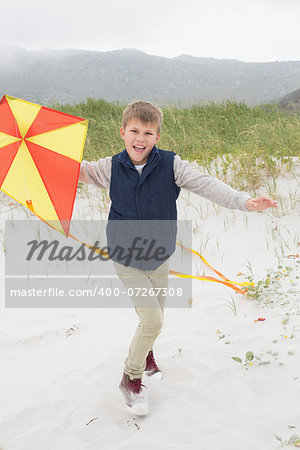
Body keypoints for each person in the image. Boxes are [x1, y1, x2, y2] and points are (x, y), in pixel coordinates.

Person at [79, 101, 277, 415]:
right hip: (125, 256)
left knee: (152, 318)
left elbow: (207, 185)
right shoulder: (109, 167)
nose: (140, 137)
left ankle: (146, 357)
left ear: (157, 136)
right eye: (134, 130)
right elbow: (76, 171)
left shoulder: (172, 165)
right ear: (123, 132)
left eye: (147, 132)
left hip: (159, 254)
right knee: (153, 321)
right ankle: (129, 378)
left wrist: (246, 202)